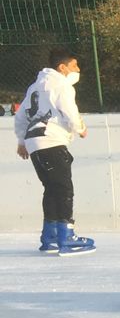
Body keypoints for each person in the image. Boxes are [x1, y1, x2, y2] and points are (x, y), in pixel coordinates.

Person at [13, 49, 95, 255]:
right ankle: (66, 236)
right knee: (64, 189)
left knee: (51, 188)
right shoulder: (61, 85)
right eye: (74, 65)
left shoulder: (34, 86)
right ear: (62, 67)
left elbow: (21, 116)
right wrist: (80, 128)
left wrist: (22, 141)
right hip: (52, 141)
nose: (78, 70)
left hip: (34, 143)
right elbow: (69, 111)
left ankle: (50, 235)